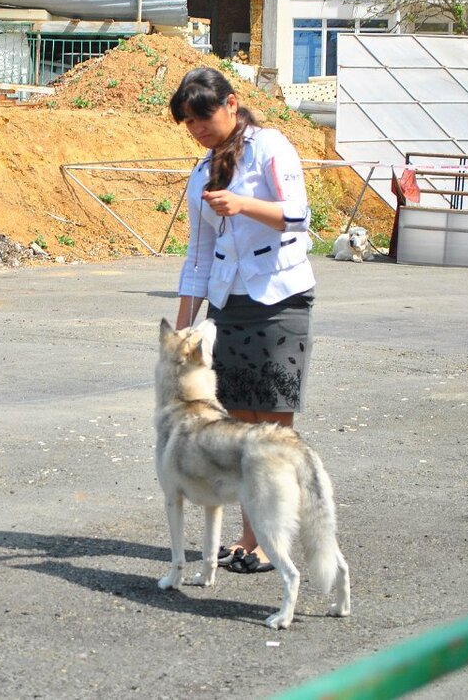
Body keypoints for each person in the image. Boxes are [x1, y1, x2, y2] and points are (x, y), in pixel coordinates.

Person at [169, 67, 316, 575]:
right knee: (238, 423)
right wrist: (183, 330)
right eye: (187, 121)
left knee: (272, 423)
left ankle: (266, 539)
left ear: (232, 104)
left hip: (280, 297)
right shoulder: (200, 173)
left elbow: (299, 214)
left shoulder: (271, 146)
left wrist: (244, 204)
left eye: (202, 115)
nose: (197, 128)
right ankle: (255, 534)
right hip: (228, 304)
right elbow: (198, 256)